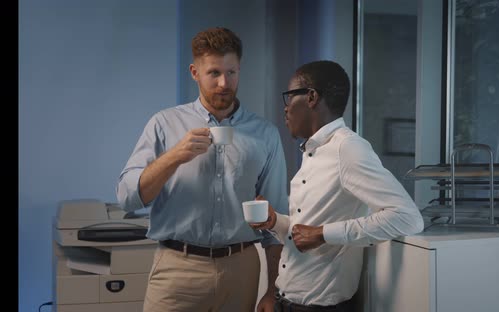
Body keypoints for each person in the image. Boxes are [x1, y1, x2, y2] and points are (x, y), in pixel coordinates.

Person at [116, 27, 288, 312]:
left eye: (231, 72)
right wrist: (175, 156)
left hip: (242, 270)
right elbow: (127, 197)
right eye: (214, 73)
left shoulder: (265, 134)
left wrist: (272, 290)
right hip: (177, 268)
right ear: (195, 72)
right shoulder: (164, 124)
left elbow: (275, 222)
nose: (224, 83)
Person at [250, 60, 424, 311]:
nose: (285, 109)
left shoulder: (348, 148)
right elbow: (305, 231)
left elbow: (407, 217)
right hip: (285, 301)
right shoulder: (315, 151)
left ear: (311, 97)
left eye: (289, 98)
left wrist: (322, 233)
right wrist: (274, 221)